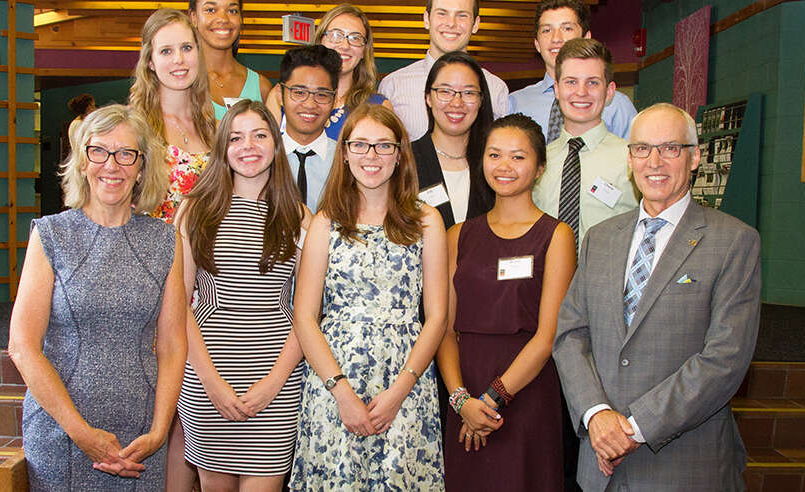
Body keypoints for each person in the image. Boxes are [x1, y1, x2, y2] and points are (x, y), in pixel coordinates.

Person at [552, 103, 761, 491]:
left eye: (670, 148)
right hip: (600, 468)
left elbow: (725, 359)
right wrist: (597, 415)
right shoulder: (600, 238)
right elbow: (570, 335)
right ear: (629, 159)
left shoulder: (734, 241)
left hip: (683, 467)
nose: (655, 161)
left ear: (695, 156)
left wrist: (633, 428)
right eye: (643, 149)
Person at [8, 104, 185, 490]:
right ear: (83, 161)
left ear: (141, 166)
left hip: (140, 439)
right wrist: (82, 434)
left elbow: (172, 346)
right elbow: (23, 347)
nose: (112, 164)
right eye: (99, 151)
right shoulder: (51, 235)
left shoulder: (165, 241)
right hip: (63, 433)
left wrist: (159, 430)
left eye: (126, 154)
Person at [289, 105, 448, 490]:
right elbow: (305, 316)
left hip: (405, 384)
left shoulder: (426, 220)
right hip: (333, 382)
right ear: (344, 152)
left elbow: (438, 316)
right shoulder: (326, 221)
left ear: (399, 153)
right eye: (360, 145)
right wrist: (341, 393)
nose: (371, 157)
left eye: (382, 146)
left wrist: (398, 392)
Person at [175, 100, 311, 492]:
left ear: (276, 143)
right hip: (208, 377)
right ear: (223, 147)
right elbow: (180, 304)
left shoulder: (300, 217)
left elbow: (306, 311)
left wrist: (274, 383)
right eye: (236, 137)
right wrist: (211, 383)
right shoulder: (194, 210)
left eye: (259, 135)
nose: (248, 146)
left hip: (276, 379)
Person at [436, 114, 575, 491]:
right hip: (464, 390)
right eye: (495, 155)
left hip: (525, 393)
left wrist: (492, 399)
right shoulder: (457, 235)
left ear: (540, 167)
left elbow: (548, 336)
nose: (504, 166)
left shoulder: (557, 235)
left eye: (518, 157)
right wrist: (462, 401)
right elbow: (444, 329)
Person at [531, 38, 637, 255]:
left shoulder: (634, 160)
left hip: (608, 284)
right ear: (557, 89)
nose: (581, 92)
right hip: (544, 284)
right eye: (571, 82)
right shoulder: (536, 162)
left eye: (592, 82)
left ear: (609, 92)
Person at [378, 0, 509, 140]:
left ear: (475, 24)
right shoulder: (393, 86)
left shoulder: (496, 88)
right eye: (442, 13)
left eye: (462, 15)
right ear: (427, 19)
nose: (451, 23)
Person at [129, 8, 217, 225]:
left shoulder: (215, 128)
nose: (179, 59)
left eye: (186, 48)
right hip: (152, 253)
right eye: (166, 51)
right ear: (150, 61)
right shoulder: (135, 128)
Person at [509, 0, 638, 141]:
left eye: (567, 28)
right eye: (546, 30)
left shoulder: (617, 105)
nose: (556, 38)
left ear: (586, 38)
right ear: (537, 44)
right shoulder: (515, 103)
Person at [267, 4, 392, 142]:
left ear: (364, 51)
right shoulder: (281, 95)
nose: (345, 46)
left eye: (355, 38)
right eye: (336, 35)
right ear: (320, 40)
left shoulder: (378, 106)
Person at [411, 52, 495, 228]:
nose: (457, 102)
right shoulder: (405, 160)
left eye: (469, 93)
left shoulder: (495, 162)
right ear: (428, 98)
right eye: (445, 91)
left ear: (481, 100)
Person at [187, 0, 272, 120]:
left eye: (232, 11)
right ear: (193, 17)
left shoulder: (262, 87)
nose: (223, 19)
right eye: (211, 10)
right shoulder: (180, 80)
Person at [272, 44, 341, 211]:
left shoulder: (346, 162)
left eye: (322, 95)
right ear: (281, 94)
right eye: (299, 92)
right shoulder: (262, 158)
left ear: (335, 100)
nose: (310, 104)